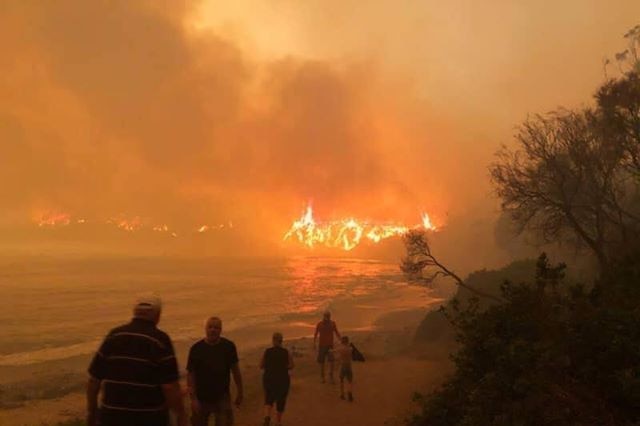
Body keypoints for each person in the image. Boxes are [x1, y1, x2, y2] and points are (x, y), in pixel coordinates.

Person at [86, 295, 187, 426]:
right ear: (157, 315)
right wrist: (181, 414)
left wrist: (91, 413)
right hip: (148, 419)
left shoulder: (114, 335)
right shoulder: (159, 340)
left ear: (134, 313)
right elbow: (169, 387)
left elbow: (93, 380)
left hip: (111, 418)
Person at [187, 316, 244, 426]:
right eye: (210, 327)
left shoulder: (228, 347)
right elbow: (191, 375)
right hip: (201, 398)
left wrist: (240, 391)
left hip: (222, 397)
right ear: (205, 329)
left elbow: (235, 370)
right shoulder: (196, 349)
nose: (213, 330)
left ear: (221, 330)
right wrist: (193, 399)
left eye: (216, 327)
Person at [260, 332, 294, 426]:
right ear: (281, 341)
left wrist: (270, 366)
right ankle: (278, 422)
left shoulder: (267, 351)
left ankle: (267, 417)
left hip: (269, 378)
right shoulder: (286, 352)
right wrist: (283, 367)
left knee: (268, 399)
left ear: (273, 340)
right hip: (282, 379)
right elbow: (291, 365)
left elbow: (261, 365)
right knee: (281, 400)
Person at [313, 310, 341, 383]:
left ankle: (331, 376)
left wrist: (341, 340)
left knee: (331, 361)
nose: (327, 317)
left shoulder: (332, 324)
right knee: (322, 362)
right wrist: (314, 343)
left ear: (330, 316)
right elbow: (315, 334)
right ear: (324, 316)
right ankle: (322, 377)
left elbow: (336, 332)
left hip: (330, 346)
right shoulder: (319, 324)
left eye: (328, 316)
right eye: (326, 316)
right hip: (322, 345)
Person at [335, 336, 354, 402]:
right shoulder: (350, 349)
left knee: (341, 380)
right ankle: (350, 392)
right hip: (349, 365)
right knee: (349, 380)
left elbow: (335, 352)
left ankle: (342, 394)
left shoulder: (341, 349)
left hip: (343, 365)